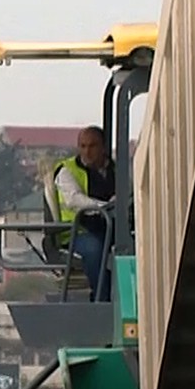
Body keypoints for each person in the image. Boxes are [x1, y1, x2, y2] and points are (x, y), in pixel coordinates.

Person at [49, 125, 117, 301]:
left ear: (103, 147)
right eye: (83, 146)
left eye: (93, 146)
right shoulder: (66, 171)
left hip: (109, 228)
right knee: (95, 249)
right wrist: (106, 207)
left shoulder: (116, 170)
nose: (87, 152)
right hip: (75, 232)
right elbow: (74, 200)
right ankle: (101, 300)